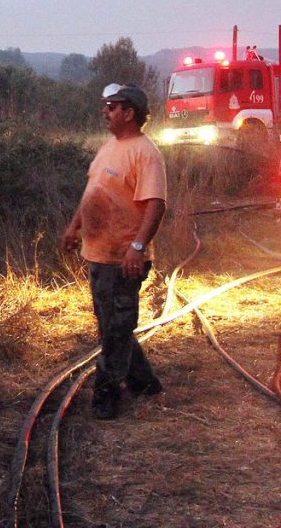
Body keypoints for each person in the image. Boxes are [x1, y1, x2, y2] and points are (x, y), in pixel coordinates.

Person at [60, 83, 167, 420]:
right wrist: (74, 226)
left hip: (124, 259)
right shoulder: (110, 146)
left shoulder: (145, 153)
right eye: (106, 105)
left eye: (111, 106)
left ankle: (106, 396)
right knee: (110, 324)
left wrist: (137, 247)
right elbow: (94, 190)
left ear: (129, 112)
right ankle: (144, 382)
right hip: (98, 252)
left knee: (117, 327)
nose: (105, 111)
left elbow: (155, 205)